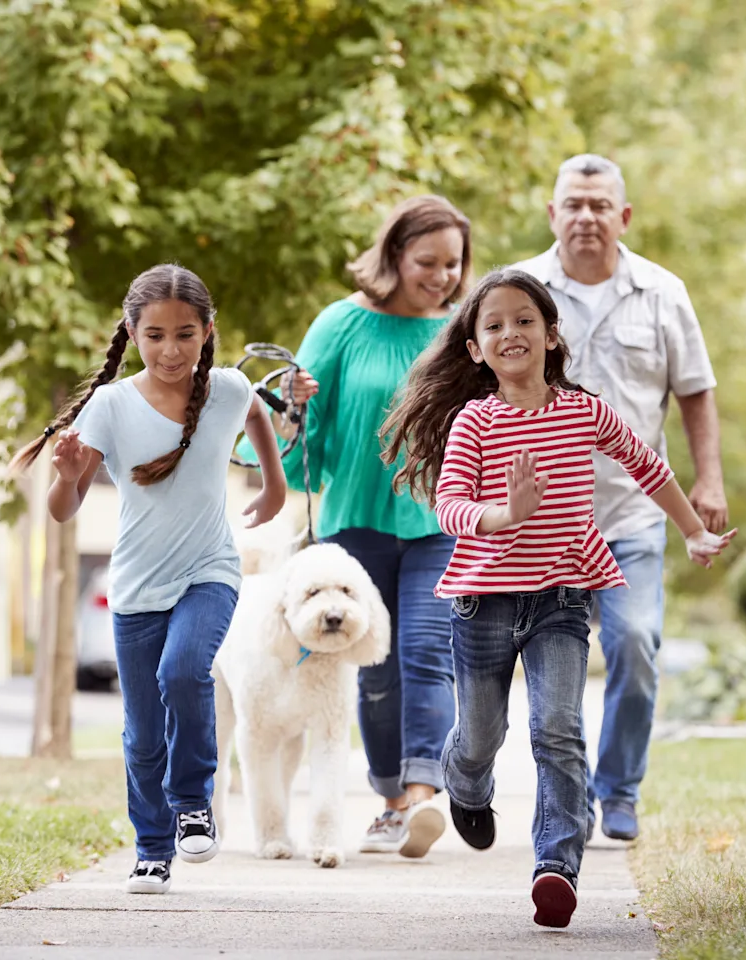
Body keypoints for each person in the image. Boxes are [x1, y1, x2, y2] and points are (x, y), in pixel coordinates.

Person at [380, 269, 733, 928]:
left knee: (558, 730)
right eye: (494, 325)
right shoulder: (474, 421)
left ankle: (556, 866)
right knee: (481, 734)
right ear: (476, 350)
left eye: (524, 320)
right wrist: (503, 514)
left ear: (550, 334)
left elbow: (648, 465)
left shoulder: (583, 410)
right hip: (483, 601)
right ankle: (467, 786)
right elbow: (451, 504)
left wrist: (693, 531)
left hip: (562, 598)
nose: (510, 332)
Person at [10, 264, 288, 895]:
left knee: (183, 672)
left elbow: (257, 417)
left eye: (185, 334)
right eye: (156, 335)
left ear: (207, 331)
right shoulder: (110, 406)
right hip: (135, 586)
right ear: (132, 332)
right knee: (140, 733)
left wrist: (273, 485)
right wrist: (65, 475)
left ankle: (195, 803)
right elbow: (63, 510)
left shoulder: (228, 389)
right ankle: (152, 848)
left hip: (209, 570)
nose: (171, 350)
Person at [511, 154, 728, 843]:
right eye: (572, 203)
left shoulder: (663, 292)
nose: (585, 216)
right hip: (543, 524)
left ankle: (620, 788)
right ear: (552, 214)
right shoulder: (519, 293)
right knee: (551, 676)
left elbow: (694, 389)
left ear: (623, 216)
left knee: (636, 643)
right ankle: (565, 804)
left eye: (599, 205)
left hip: (634, 514)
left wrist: (709, 478)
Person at [259, 194, 473, 858]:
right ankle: (388, 800)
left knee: (426, 654)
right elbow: (302, 439)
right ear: (395, 255)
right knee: (375, 669)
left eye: (452, 264)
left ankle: (421, 796)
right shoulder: (342, 324)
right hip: (355, 522)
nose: (440, 277)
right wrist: (292, 408)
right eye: (426, 262)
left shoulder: (463, 333)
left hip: (440, 519)